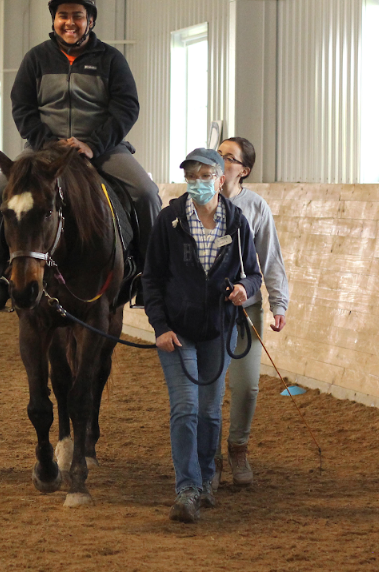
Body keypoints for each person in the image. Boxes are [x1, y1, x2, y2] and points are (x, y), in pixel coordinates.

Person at [0, 0, 161, 312]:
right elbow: (22, 107)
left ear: (89, 20)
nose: (70, 22)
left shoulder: (111, 60)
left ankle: (147, 278)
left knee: (146, 193)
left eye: (77, 15)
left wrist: (93, 144)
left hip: (102, 149)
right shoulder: (36, 59)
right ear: (54, 19)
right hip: (43, 150)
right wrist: (47, 144)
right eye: (63, 15)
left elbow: (126, 106)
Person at [142, 148, 262, 523]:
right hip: (177, 333)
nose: (197, 183)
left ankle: (208, 478)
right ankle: (188, 487)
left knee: (210, 412)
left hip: (218, 330)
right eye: (191, 177)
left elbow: (254, 275)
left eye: (205, 176)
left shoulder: (237, 222)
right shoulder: (169, 221)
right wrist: (161, 327)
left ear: (221, 180)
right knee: (185, 408)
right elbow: (152, 279)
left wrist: (245, 290)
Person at [213, 137, 289, 487]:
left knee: (246, 387)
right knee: (208, 384)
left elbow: (269, 259)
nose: (221, 162)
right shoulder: (199, 203)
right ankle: (209, 453)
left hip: (246, 309)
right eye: (218, 155)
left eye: (229, 158)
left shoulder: (255, 207)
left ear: (243, 171)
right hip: (207, 311)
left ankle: (238, 447)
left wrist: (279, 302)